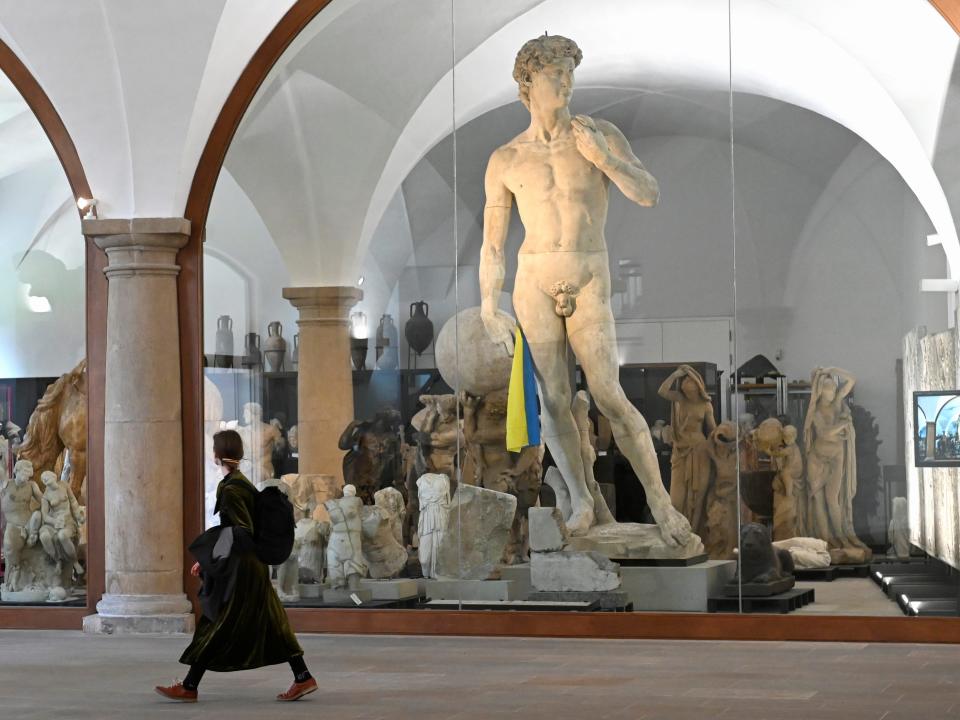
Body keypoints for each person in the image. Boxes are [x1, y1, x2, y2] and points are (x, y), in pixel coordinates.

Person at [479, 34, 690, 545]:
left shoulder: (599, 134)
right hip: (533, 278)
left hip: (588, 272)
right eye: (557, 73)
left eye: (571, 72)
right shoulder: (505, 158)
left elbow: (649, 193)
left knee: (607, 393)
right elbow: (493, 244)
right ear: (530, 82)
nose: (568, 83)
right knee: (553, 399)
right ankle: (579, 499)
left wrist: (605, 160)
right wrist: (488, 304)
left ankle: (663, 508)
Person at [155, 429, 315, 703]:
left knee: (215, 621)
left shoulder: (232, 488)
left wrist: (208, 560)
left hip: (242, 570)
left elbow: (240, 530)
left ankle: (190, 686)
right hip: (252, 567)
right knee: (273, 621)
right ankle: (303, 677)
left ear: (217, 456)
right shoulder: (240, 482)